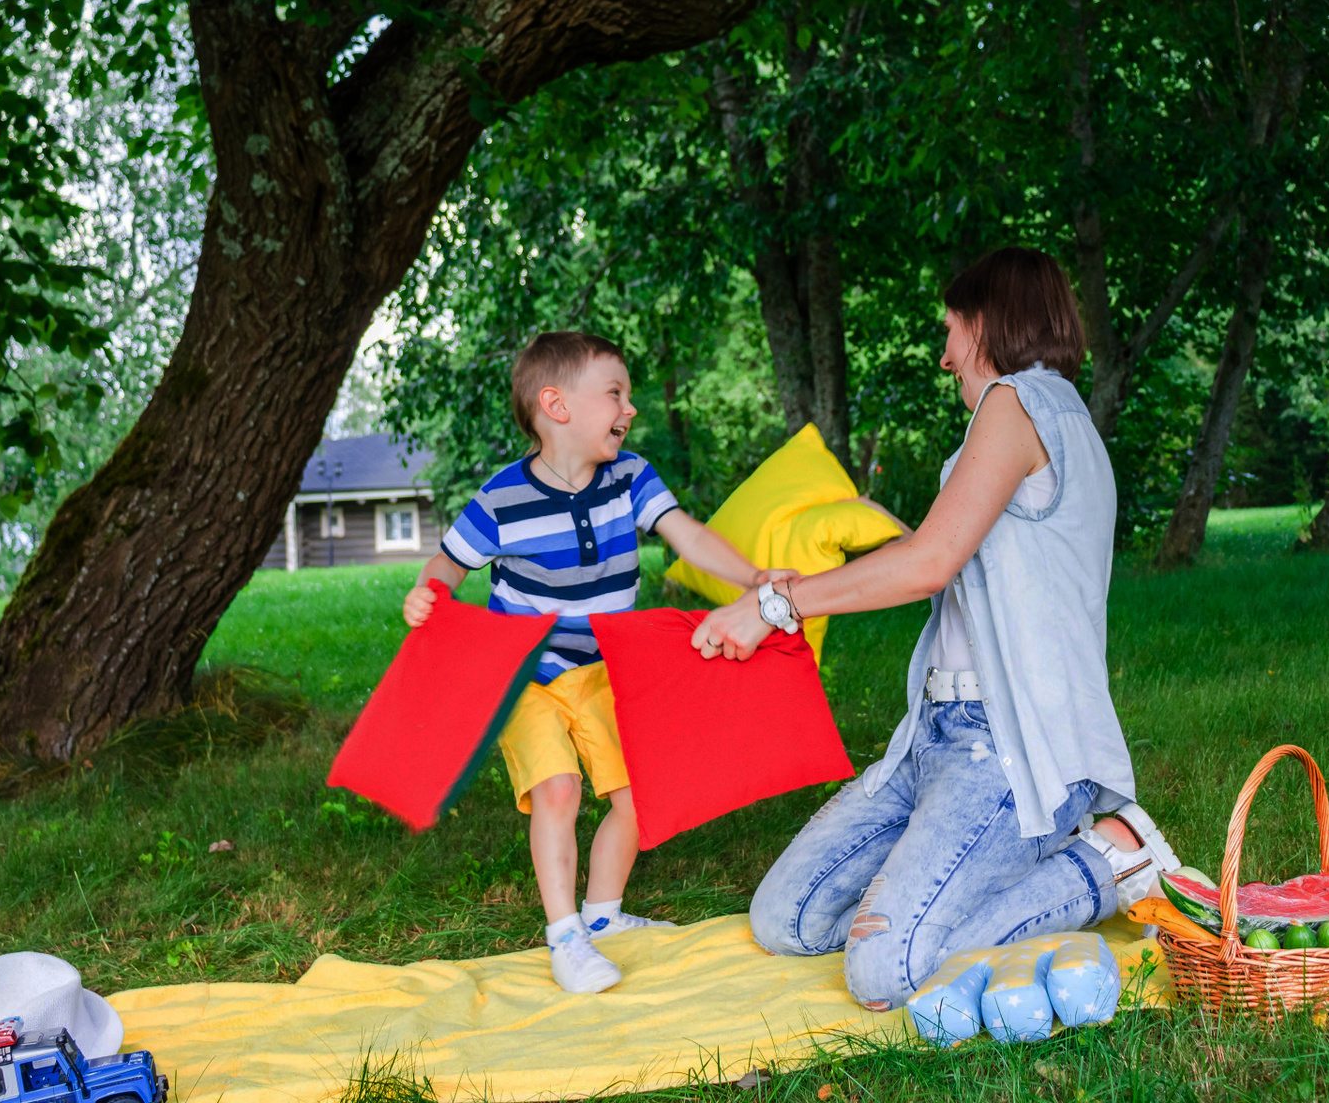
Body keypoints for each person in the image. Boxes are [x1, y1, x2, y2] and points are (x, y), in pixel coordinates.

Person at [689, 248, 1181, 1012]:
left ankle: (1107, 862)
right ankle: (952, 890)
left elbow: (929, 564)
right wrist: (867, 542)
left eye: (950, 330)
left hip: (1006, 751)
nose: (945, 356)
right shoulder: (1051, 416)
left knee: (885, 972)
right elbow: (959, 559)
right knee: (786, 918)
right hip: (933, 738)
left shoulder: (1018, 401)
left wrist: (773, 606)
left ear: (985, 323)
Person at [403, 332, 784, 994]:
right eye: (615, 393)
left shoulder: (630, 478)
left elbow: (687, 535)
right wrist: (429, 590)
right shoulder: (501, 500)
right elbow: (449, 561)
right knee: (559, 789)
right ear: (557, 406)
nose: (629, 408)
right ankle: (565, 938)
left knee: (637, 797)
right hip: (527, 674)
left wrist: (755, 579)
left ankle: (602, 917)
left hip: (606, 668)